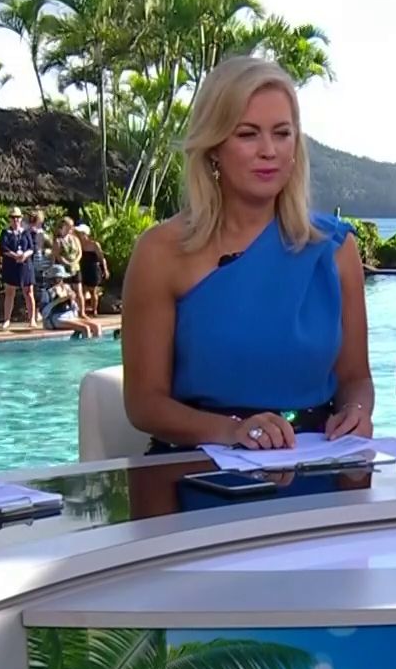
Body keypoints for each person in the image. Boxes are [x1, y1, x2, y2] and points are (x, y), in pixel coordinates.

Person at [119, 55, 372, 453]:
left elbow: (355, 378)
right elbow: (143, 403)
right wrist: (231, 431)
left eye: (282, 133)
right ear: (213, 146)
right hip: (199, 465)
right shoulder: (161, 252)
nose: (268, 150)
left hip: (317, 459)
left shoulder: (335, 248)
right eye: (248, 134)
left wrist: (357, 411)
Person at [0, 208, 37, 329]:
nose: (16, 220)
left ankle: (32, 319)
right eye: (13, 218)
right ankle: (7, 320)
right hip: (11, 265)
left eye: (18, 217)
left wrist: (24, 255)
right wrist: (15, 256)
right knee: (9, 293)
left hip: (25, 264)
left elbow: (32, 248)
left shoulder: (26, 232)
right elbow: (3, 248)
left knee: (29, 292)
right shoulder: (5, 233)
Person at [41, 265, 102, 338]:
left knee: (96, 326)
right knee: (85, 328)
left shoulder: (66, 287)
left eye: (61, 278)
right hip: (56, 318)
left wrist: (72, 300)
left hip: (70, 316)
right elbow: (44, 312)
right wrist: (58, 301)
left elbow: (74, 306)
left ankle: (95, 344)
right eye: (58, 278)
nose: (60, 280)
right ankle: (85, 344)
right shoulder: (47, 292)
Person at [76, 222, 109, 314]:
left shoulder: (94, 245)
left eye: (81, 233)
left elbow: (101, 258)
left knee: (92, 290)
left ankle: (94, 310)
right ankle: (82, 310)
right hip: (82, 268)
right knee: (82, 290)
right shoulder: (78, 244)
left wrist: (105, 269)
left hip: (93, 269)